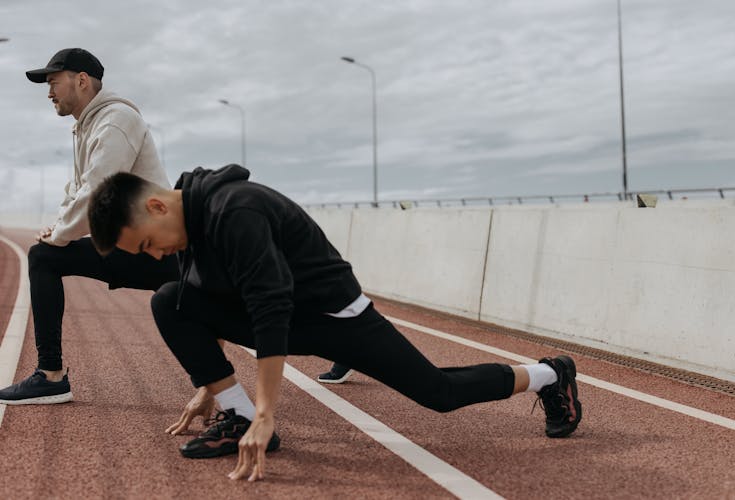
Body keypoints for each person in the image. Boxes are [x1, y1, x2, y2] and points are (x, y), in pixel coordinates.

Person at [87, 165, 583, 482]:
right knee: (171, 299)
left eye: (149, 242)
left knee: (438, 394)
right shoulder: (189, 223)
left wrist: (268, 413)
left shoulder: (235, 210)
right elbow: (206, 295)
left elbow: (269, 309)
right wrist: (212, 388)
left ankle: (550, 374)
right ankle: (234, 416)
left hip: (337, 320)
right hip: (290, 315)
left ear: (155, 207)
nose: (156, 252)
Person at [0, 49, 177, 407]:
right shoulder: (88, 126)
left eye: (53, 82)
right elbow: (78, 190)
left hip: (161, 248)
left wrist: (61, 235)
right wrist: (58, 228)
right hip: (132, 245)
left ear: (81, 81)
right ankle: (50, 376)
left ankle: (51, 377)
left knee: (244, 307)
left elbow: (99, 190)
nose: (49, 93)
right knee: (46, 255)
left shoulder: (115, 121)